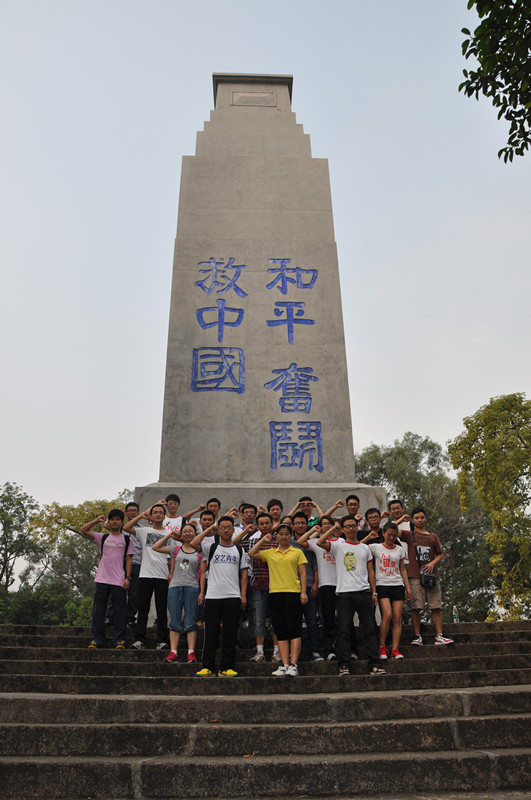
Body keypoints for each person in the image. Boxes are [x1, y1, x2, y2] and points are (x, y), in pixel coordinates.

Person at [317, 515, 385, 676]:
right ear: (343, 529)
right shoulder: (338, 546)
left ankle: (375, 663)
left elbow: (370, 571)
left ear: (357, 527)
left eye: (353, 526)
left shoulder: (365, 548)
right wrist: (333, 528)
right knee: (344, 630)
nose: (351, 529)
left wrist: (374, 591)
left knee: (369, 629)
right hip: (345, 594)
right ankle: (344, 664)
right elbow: (320, 542)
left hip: (364, 592)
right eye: (347, 526)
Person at [190, 516, 249, 676]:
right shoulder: (212, 548)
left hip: (233, 595)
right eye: (222, 527)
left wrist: (243, 595)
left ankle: (226, 667)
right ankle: (208, 666)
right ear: (219, 529)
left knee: (230, 634)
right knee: (211, 633)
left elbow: (244, 574)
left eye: (229, 527)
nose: (226, 530)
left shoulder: (239, 550)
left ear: (233, 530)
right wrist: (209, 530)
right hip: (213, 596)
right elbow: (194, 544)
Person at [249, 523, 308, 676]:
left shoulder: (297, 552)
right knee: (280, 631)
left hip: (293, 593)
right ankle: (284, 664)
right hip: (275, 594)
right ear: (276, 536)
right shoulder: (270, 552)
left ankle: (294, 664)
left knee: (294, 631)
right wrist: (264, 540)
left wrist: (303, 592)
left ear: (290, 535)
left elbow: (302, 574)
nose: (283, 536)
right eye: (280, 534)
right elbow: (251, 553)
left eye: (286, 534)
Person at [397, 507, 454, 646]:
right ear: (412, 520)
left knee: (435, 606)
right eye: (416, 518)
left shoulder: (433, 536)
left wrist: (432, 563)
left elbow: (440, 554)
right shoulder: (410, 535)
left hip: (432, 576)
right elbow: (390, 529)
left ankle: (439, 635)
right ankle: (417, 636)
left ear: (425, 518)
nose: (420, 520)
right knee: (416, 607)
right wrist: (400, 519)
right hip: (415, 575)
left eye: (422, 517)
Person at [152, 522, 206, 663]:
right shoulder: (175, 549)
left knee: (190, 622)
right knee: (175, 621)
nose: (188, 533)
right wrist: (169, 534)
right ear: (181, 534)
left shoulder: (200, 552)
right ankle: (173, 652)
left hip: (192, 589)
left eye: (191, 531)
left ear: (196, 534)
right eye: (185, 531)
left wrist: (202, 593)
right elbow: (155, 547)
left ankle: (191, 653)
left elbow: (202, 573)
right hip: (175, 588)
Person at [79, 509, 133, 650]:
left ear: (122, 522)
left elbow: (128, 559)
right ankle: (97, 640)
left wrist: (128, 577)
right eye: (112, 519)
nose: (115, 521)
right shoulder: (102, 537)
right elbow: (83, 529)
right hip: (102, 578)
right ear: (109, 522)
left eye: (117, 519)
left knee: (119, 611)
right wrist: (97, 520)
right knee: (98, 611)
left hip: (119, 580)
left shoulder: (127, 540)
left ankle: (119, 640)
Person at [123, 504, 170, 650]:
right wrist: (141, 514)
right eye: (154, 512)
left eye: (160, 513)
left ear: (164, 516)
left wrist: (173, 573)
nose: (157, 515)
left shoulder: (169, 533)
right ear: (150, 515)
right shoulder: (144, 531)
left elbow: (175, 556)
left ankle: (162, 640)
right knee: (142, 609)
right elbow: (126, 528)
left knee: (162, 610)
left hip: (162, 575)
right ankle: (139, 639)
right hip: (145, 574)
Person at [296, 514, 341, 660]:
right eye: (324, 524)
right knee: (328, 618)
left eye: (330, 523)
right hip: (325, 584)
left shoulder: (341, 542)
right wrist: (313, 530)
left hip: (342, 584)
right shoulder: (316, 542)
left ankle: (344, 647)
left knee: (343, 619)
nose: (327, 526)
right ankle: (329, 649)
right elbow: (300, 541)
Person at [369, 522, 411, 659]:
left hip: (397, 584)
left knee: (397, 617)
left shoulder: (399, 550)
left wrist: (407, 587)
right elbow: (359, 547)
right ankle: (382, 646)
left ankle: (395, 649)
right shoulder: (375, 548)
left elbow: (402, 569)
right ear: (383, 533)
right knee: (387, 615)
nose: (391, 537)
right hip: (382, 584)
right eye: (389, 535)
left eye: (394, 535)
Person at [291, 512, 322, 661]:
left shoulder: (312, 542)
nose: (300, 525)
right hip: (292, 587)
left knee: (311, 621)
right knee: (294, 622)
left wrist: (316, 583)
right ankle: (293, 653)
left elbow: (316, 566)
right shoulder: (287, 542)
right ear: (292, 526)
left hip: (310, 586)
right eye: (297, 523)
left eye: (303, 523)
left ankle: (314, 651)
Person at [124, 502, 143, 626]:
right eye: (130, 510)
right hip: (120, 563)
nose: (132, 512)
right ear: (126, 513)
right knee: (117, 592)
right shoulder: (120, 527)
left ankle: (130, 617)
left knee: (134, 593)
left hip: (136, 562)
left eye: (135, 510)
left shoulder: (142, 529)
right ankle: (111, 617)